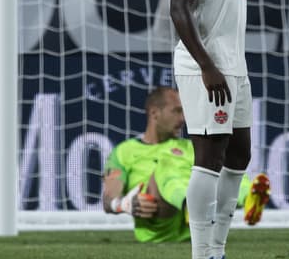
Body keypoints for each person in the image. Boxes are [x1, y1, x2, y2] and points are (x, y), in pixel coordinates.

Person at [169, 0, 260, 259]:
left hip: (233, 62)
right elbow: (179, 8)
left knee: (239, 154)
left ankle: (219, 255)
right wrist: (206, 65)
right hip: (203, 65)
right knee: (208, 156)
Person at [102, 86, 271, 242]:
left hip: (190, 230)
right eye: (176, 111)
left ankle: (248, 197)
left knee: (222, 165)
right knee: (166, 165)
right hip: (157, 224)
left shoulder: (189, 147)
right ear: (154, 113)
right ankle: (191, 204)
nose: (182, 118)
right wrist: (123, 204)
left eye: (184, 112)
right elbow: (108, 199)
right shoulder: (124, 151)